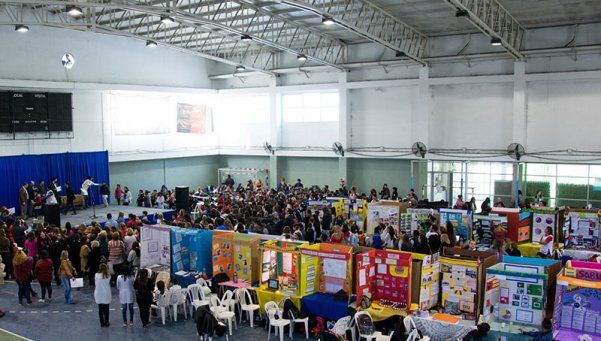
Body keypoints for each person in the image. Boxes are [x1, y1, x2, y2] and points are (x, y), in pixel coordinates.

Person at [94, 263, 112, 327]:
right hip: (106, 294)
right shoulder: (108, 275)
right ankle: (107, 322)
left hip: (99, 294)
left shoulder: (96, 275)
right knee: (106, 309)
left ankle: (102, 323)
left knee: (100, 310)